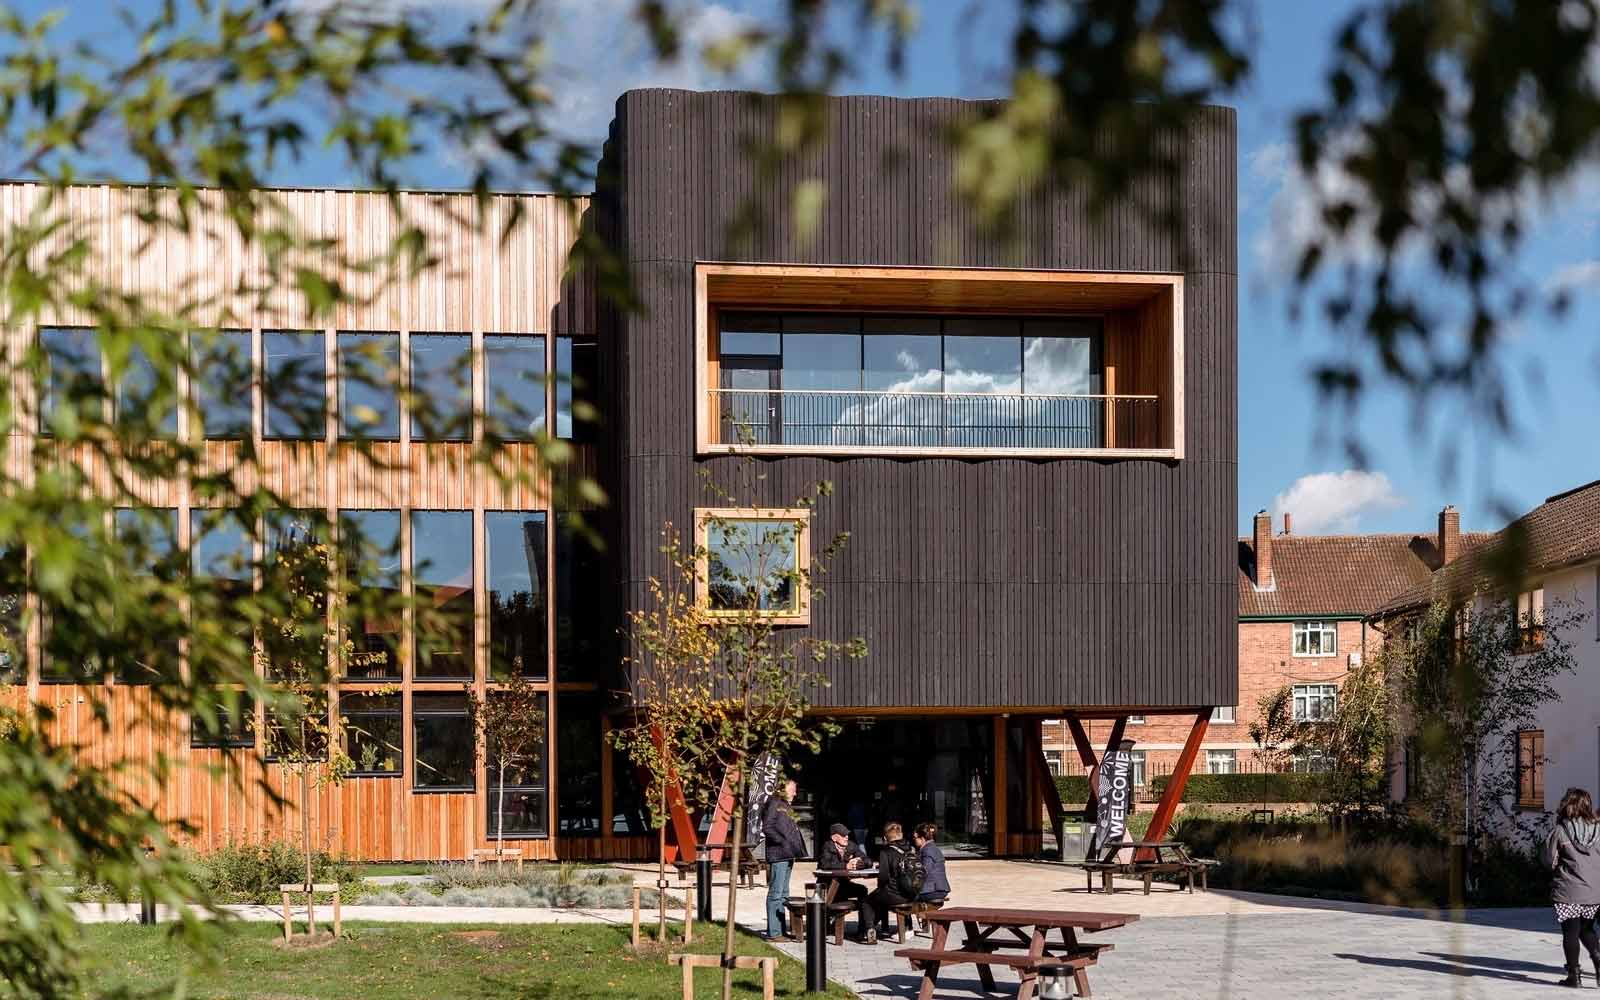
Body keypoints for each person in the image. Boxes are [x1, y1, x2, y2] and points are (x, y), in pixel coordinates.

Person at [1546, 787, 1600, 987]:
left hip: (1568, 890)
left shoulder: (1561, 830)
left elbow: (1549, 860)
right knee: (1587, 928)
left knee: (1570, 932)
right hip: (1594, 892)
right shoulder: (1599, 829)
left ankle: (1574, 976)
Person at [861, 821, 924, 945]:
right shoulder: (912, 849)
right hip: (913, 893)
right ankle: (885, 928)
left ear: (885, 838)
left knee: (867, 901)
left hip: (894, 894)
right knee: (879, 899)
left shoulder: (886, 852)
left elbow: (883, 877)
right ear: (901, 834)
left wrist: (881, 887)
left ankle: (869, 933)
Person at [761, 780, 806, 941]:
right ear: (782, 790)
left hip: (787, 854)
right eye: (793, 790)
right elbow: (767, 827)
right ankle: (774, 933)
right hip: (779, 854)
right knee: (776, 892)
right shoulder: (774, 803)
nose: (795, 793)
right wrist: (782, 841)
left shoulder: (784, 804)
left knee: (784, 893)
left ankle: (780, 930)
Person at [818, 822, 871, 939]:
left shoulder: (851, 845)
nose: (846, 837)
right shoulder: (827, 846)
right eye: (843, 835)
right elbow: (824, 864)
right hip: (827, 887)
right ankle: (827, 926)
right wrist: (845, 866)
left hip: (843, 885)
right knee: (832, 897)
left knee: (862, 890)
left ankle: (864, 930)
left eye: (847, 834)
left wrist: (859, 863)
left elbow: (868, 860)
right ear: (834, 837)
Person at [912, 822, 950, 903]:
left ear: (922, 838)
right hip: (938, 889)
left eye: (915, 838)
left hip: (932, 890)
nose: (913, 840)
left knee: (902, 897)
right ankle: (910, 915)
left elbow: (924, 871)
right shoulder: (932, 847)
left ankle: (908, 915)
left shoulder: (927, 850)